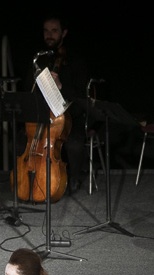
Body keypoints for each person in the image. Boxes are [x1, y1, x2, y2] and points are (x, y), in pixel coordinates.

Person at [32, 15, 88, 193]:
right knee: (18, 143)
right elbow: (30, 91)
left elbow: (81, 99)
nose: (49, 35)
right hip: (43, 118)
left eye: (54, 31)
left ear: (63, 33)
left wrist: (61, 87)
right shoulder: (39, 60)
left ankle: (72, 179)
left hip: (71, 118)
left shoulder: (76, 61)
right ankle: (32, 178)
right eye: (46, 31)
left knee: (74, 145)